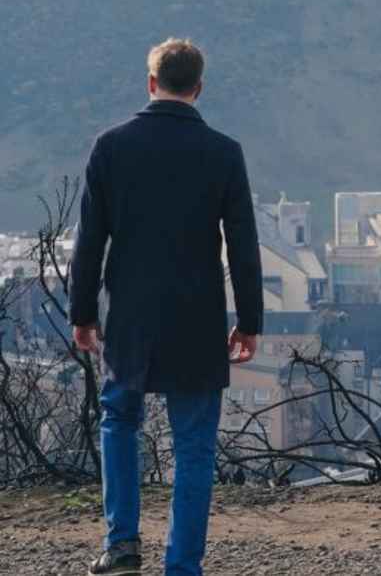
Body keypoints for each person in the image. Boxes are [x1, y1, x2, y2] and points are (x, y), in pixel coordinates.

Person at [69, 39, 264, 576]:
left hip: (130, 313)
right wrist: (249, 322)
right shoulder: (224, 152)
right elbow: (243, 244)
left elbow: (90, 241)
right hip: (198, 315)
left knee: (118, 420)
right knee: (195, 445)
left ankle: (123, 545)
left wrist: (82, 313)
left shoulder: (110, 147)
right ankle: (182, 566)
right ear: (198, 89)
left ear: (150, 83)